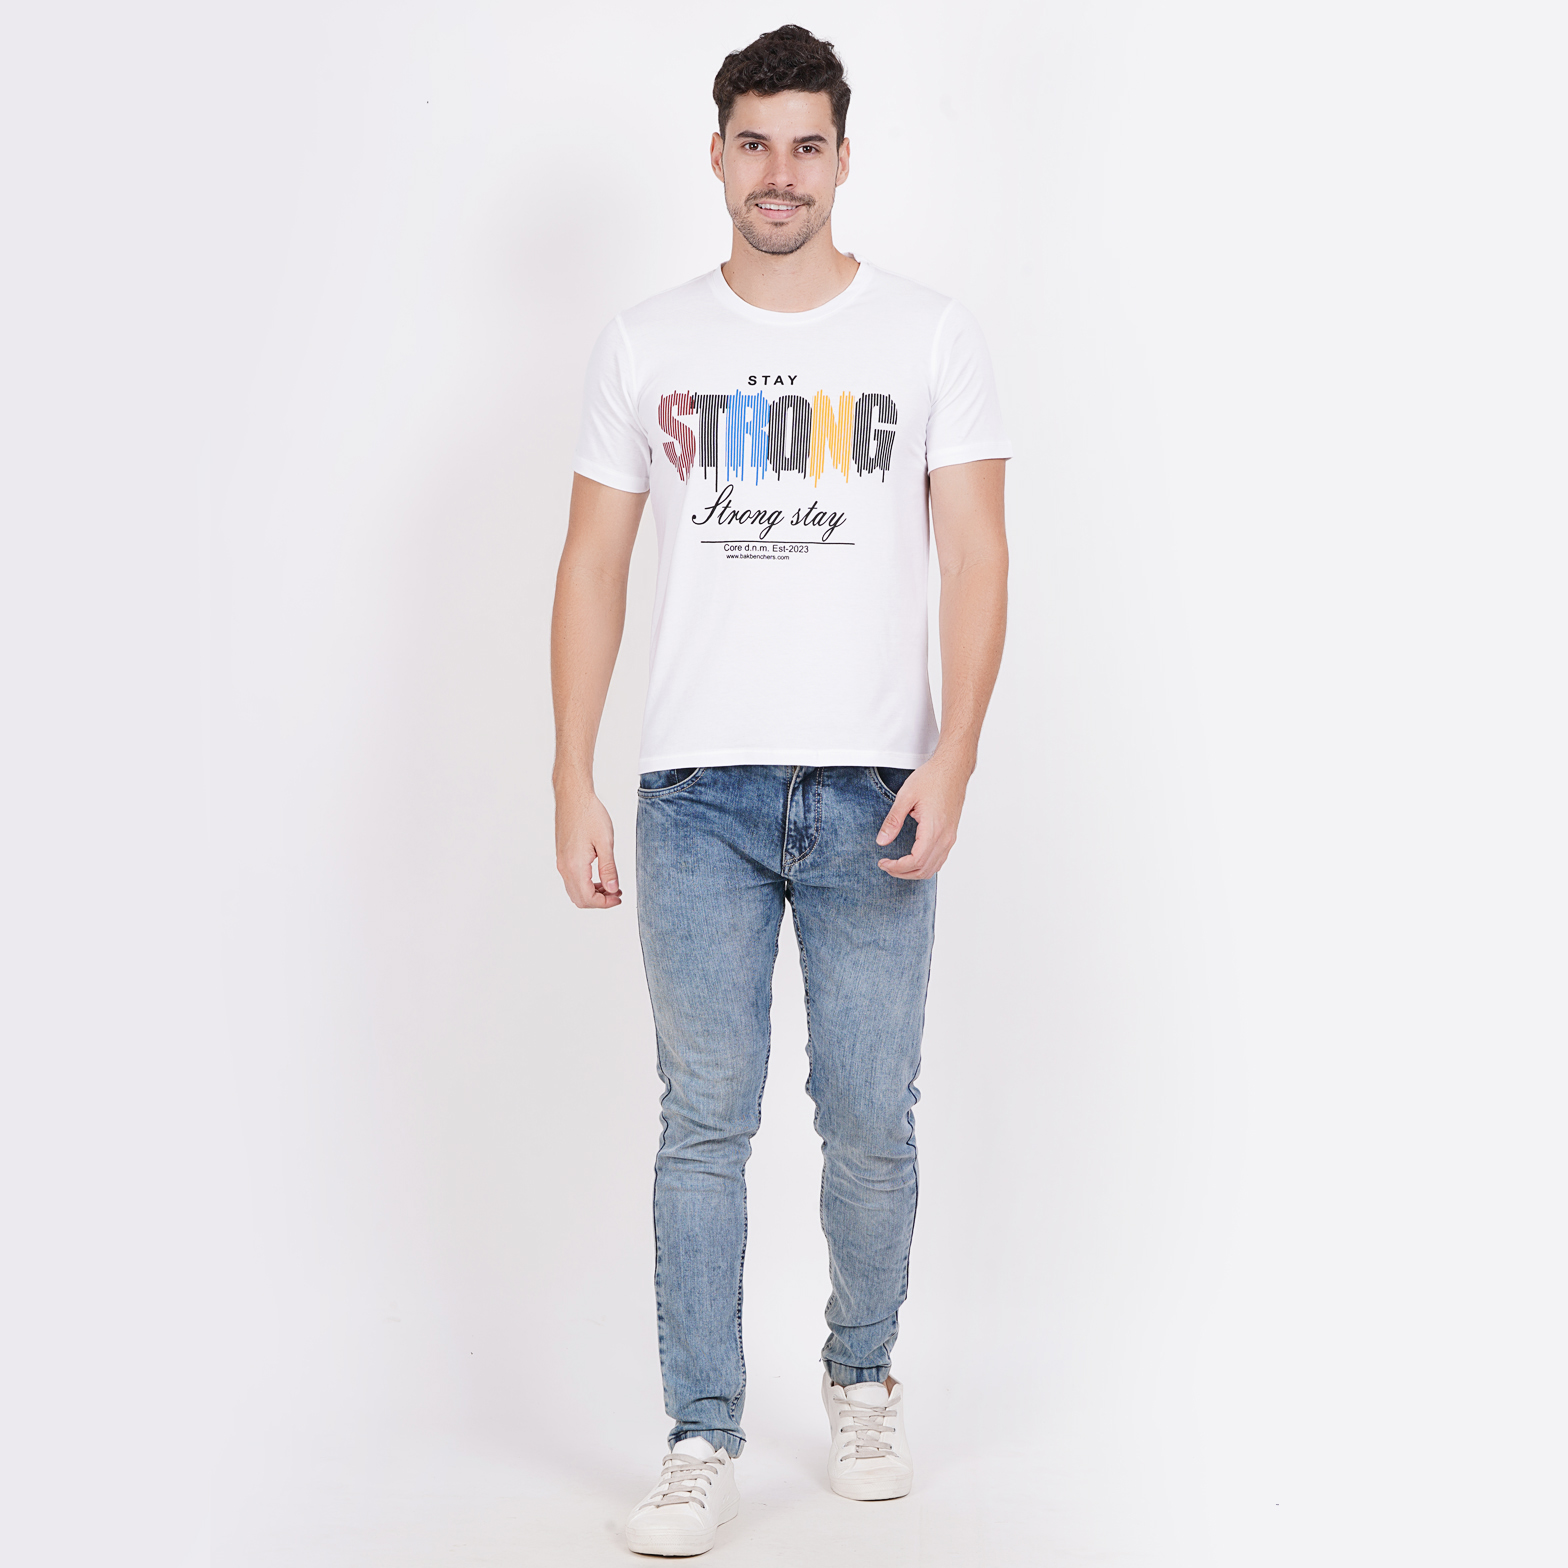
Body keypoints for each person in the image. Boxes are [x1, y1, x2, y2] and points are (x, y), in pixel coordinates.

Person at [551, 23, 1010, 1557]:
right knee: (705, 1121)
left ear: (844, 158)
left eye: (808, 144)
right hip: (696, 795)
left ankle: (860, 1374)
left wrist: (955, 753)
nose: (781, 172)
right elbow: (593, 564)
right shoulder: (646, 344)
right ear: (717, 154)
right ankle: (700, 1436)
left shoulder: (928, 336)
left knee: (870, 1118)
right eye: (755, 142)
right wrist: (571, 772)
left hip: (878, 788)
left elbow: (976, 553)